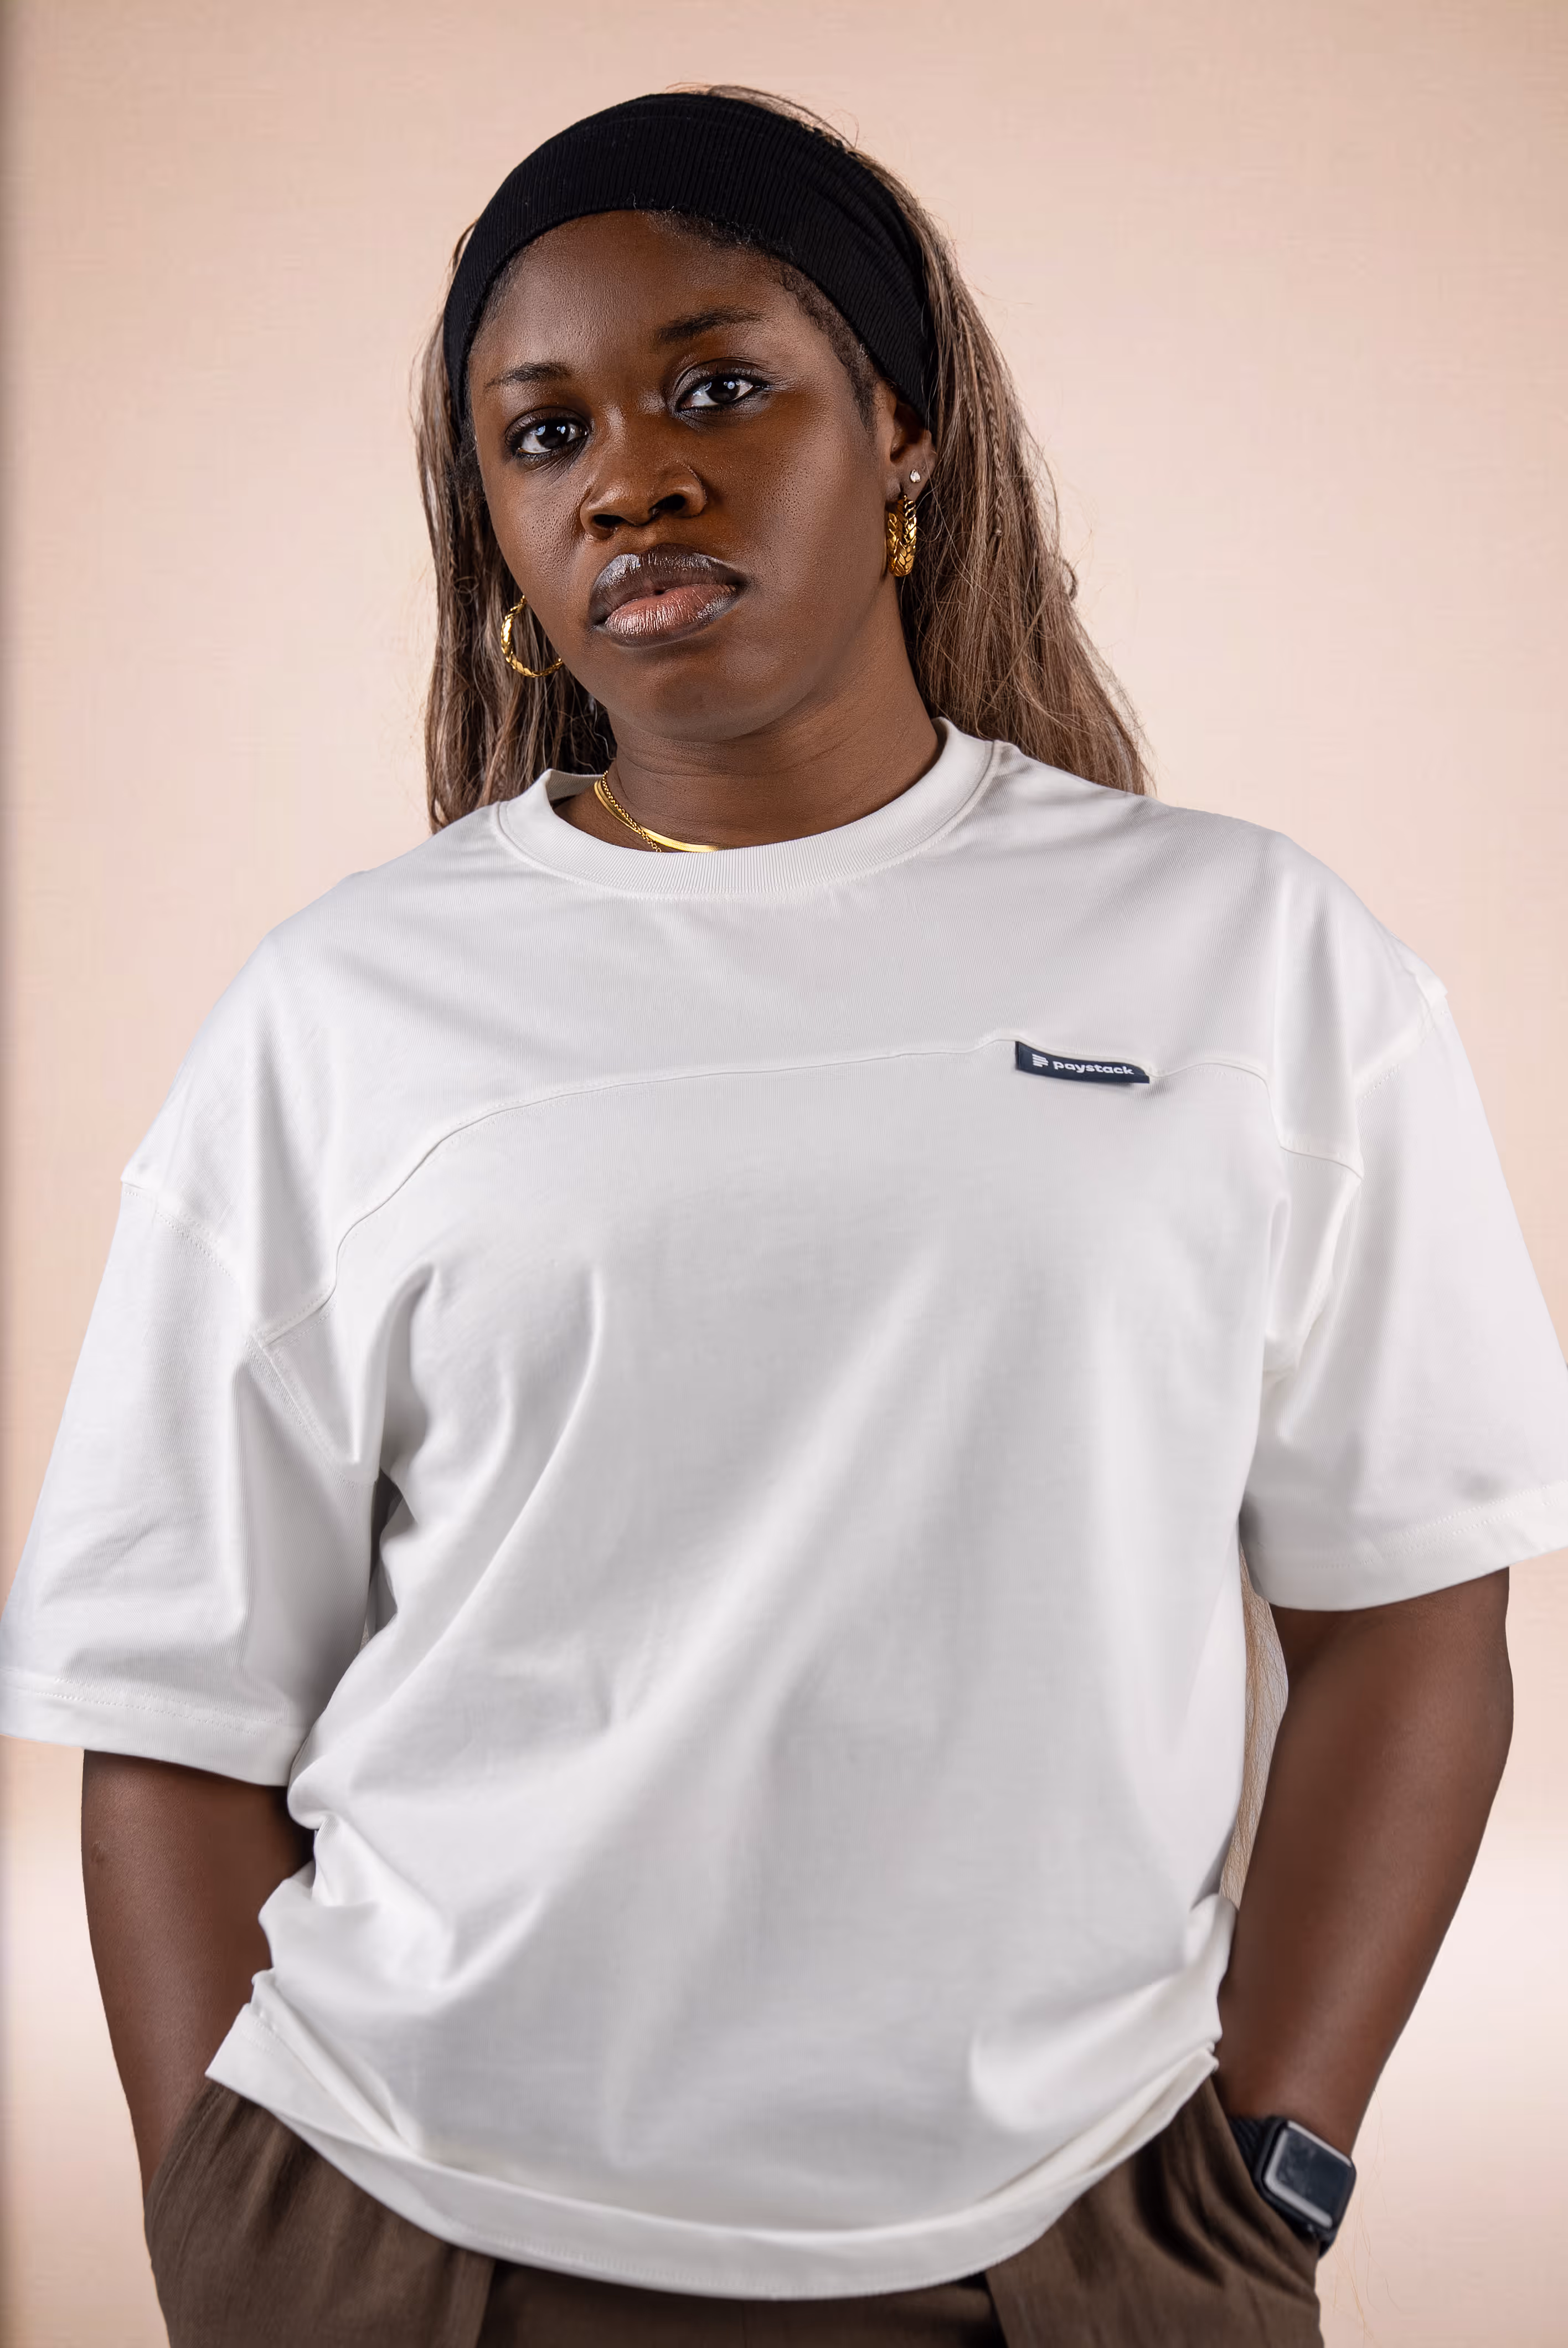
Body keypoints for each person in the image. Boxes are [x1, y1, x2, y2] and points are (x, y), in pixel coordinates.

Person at [2, 84, 1565, 2348]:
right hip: (427, 2238)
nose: (634, 471)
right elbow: (168, 1699)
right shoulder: (350, 1004)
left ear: (905, 433)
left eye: (720, 387)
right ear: (499, 531)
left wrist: (1276, 2172)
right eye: (543, 437)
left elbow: (1416, 1608)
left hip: (1072, 2248)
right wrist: (236, 2240)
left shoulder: (1246, 959)